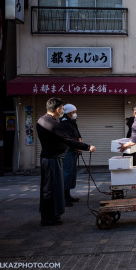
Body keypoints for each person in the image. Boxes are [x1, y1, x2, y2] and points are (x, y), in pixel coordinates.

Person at [36, 97, 96, 226]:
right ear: (57, 109)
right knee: (51, 189)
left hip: (49, 157)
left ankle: (51, 215)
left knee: (51, 187)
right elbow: (67, 139)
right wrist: (87, 147)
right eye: (62, 108)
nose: (63, 110)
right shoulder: (53, 123)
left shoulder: (42, 120)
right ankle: (48, 217)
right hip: (52, 159)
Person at [60, 104, 82, 207]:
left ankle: (68, 195)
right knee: (66, 174)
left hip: (74, 150)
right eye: (74, 112)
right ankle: (63, 198)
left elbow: (77, 133)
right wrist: (79, 146)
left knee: (72, 174)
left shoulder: (72, 121)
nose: (75, 114)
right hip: (68, 151)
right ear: (69, 112)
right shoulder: (64, 122)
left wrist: (80, 142)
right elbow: (67, 138)